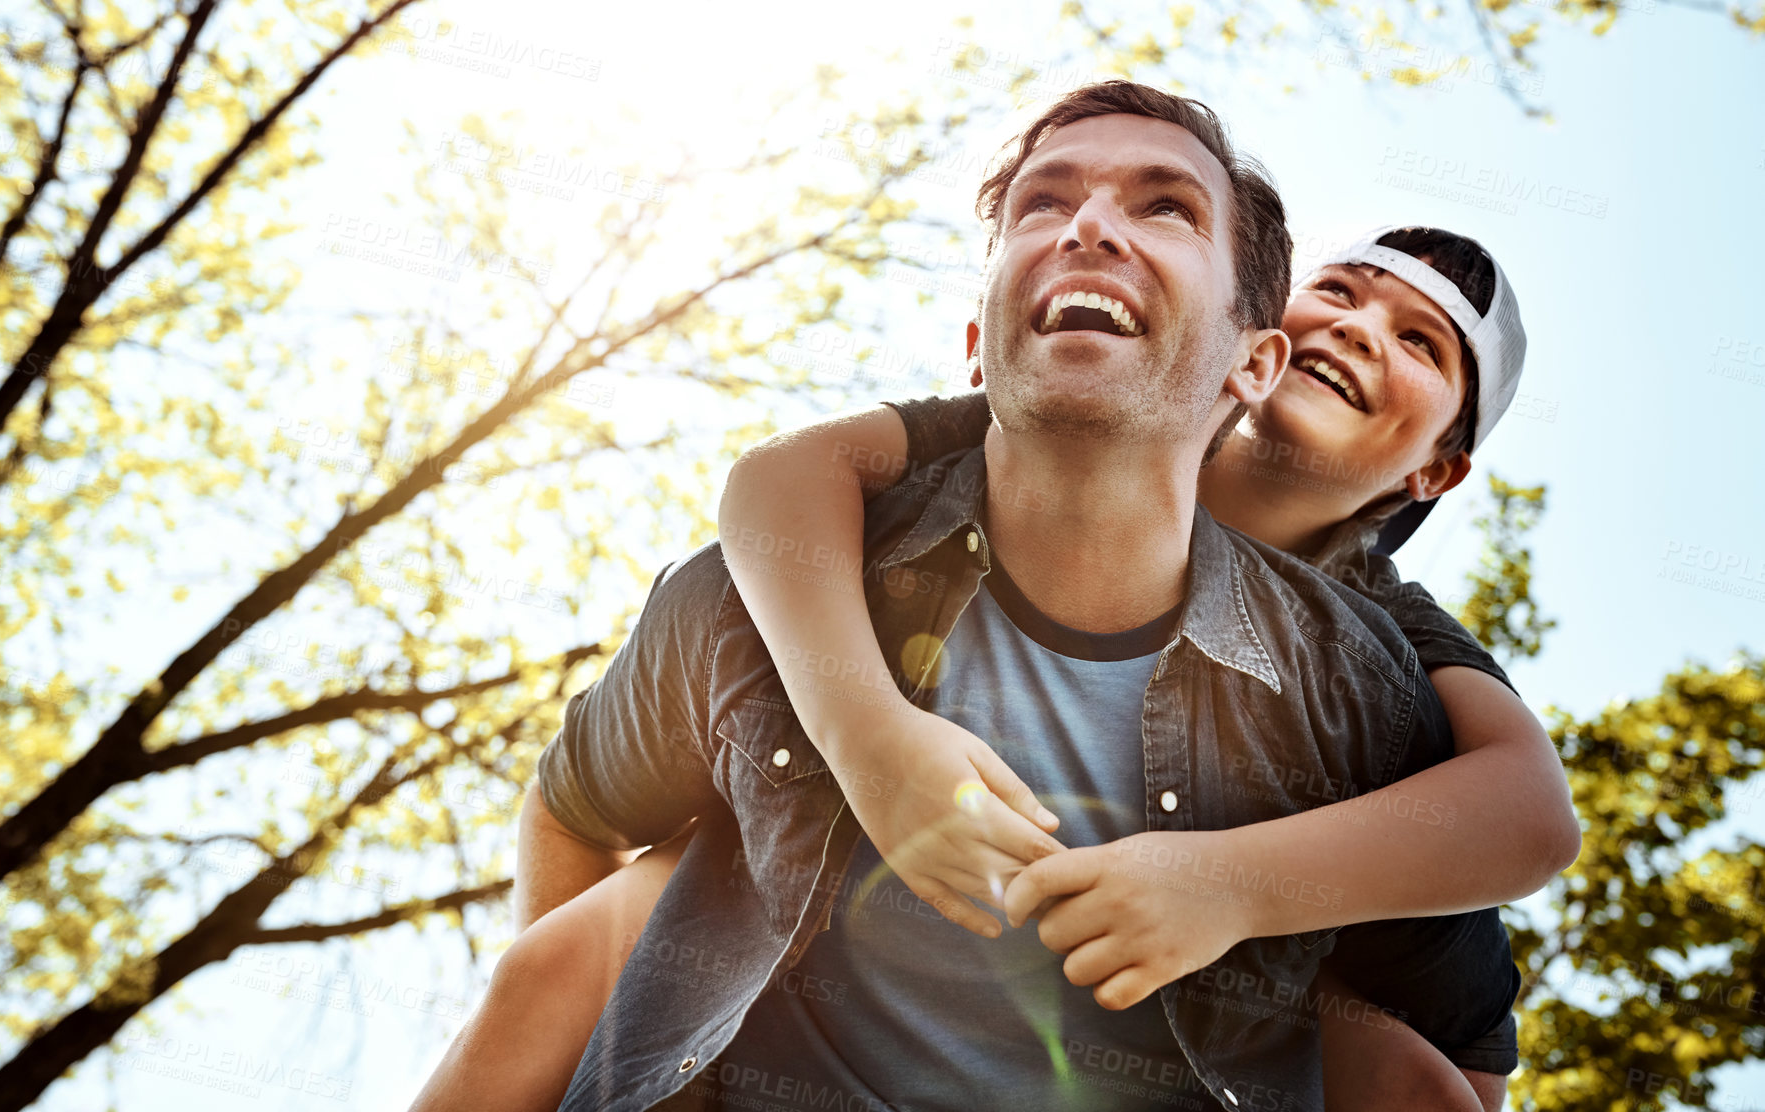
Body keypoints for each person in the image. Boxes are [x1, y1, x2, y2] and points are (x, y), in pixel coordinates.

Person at [409, 81, 1576, 1112]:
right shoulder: (1016, 423)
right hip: (802, 895)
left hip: (1202, 987)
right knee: (644, 904)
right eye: (1344, 290)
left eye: (1417, 340)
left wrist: (1233, 890)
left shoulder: (1374, 656)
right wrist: (866, 741)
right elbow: (775, 481)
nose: (1357, 330)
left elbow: (1514, 838)